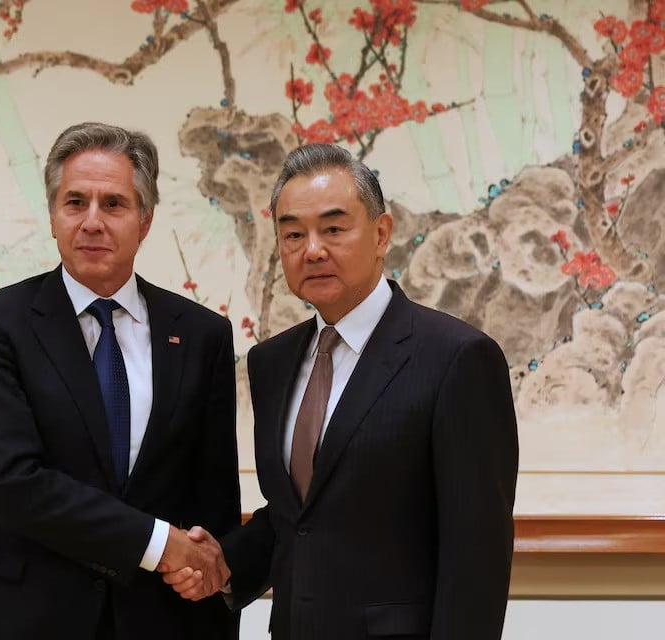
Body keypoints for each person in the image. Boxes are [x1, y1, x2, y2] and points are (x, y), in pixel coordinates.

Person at [164, 143, 518, 640]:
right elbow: (300, 516)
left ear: (381, 233)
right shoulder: (272, 362)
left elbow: (476, 554)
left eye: (333, 228)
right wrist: (224, 562)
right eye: (293, 234)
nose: (312, 249)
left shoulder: (457, 359)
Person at [0, 122, 240, 640]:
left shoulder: (202, 334)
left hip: (159, 621)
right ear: (53, 217)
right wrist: (157, 543)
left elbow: (212, 501)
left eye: (114, 204)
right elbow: (12, 482)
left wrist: (212, 586)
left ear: (144, 221)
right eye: (75, 203)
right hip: (18, 616)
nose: (92, 222)